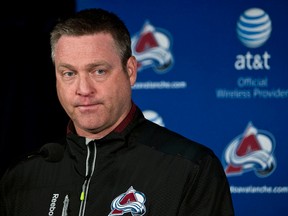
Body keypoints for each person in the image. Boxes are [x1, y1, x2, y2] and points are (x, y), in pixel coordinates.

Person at [0, 8, 234, 216]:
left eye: (99, 71)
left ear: (130, 71)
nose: (83, 90)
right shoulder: (23, 177)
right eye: (69, 73)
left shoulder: (190, 168)